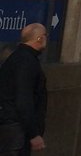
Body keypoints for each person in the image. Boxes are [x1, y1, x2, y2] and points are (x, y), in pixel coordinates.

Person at [0, 22, 47, 155]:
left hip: (11, 125)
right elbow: (24, 99)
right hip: (15, 128)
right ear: (39, 38)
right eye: (45, 35)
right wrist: (34, 133)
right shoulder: (26, 62)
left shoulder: (18, 57)